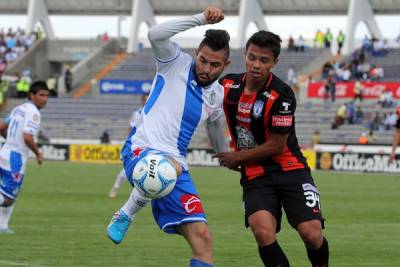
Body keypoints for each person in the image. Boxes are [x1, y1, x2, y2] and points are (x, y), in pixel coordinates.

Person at [106, 7, 230, 267]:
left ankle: (127, 211)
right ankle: (127, 213)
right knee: (163, 170)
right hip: (141, 150)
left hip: (176, 166)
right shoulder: (174, 61)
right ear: (196, 53)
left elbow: (216, 128)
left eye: (214, 64)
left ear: (225, 66)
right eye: (203, 60)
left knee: (203, 240)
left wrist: (224, 155)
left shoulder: (217, 96)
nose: (206, 68)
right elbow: (154, 33)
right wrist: (201, 19)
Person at [216, 31, 329, 267]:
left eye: (263, 60)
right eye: (251, 57)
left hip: (290, 168)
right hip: (255, 173)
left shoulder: (283, 95)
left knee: (312, 233)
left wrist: (238, 156)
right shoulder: (227, 85)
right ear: (245, 55)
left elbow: (278, 145)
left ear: (274, 63)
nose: (256, 65)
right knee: (263, 232)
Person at [0, 81, 49, 234]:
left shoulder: (19, 108)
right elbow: (27, 137)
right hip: (15, 159)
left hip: (4, 152)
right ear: (32, 95)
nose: (45, 98)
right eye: (41, 95)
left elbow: (2, 127)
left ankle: (3, 226)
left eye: (47, 95)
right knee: (8, 198)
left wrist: (10, 141)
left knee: (9, 195)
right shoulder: (34, 113)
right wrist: (38, 153)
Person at [109, 93, 149, 198]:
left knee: (148, 170)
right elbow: (130, 128)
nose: (146, 102)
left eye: (148, 100)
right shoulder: (137, 114)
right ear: (141, 101)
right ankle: (115, 188)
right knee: (126, 170)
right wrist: (131, 142)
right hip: (137, 146)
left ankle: (145, 194)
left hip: (149, 146)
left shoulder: (154, 113)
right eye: (144, 100)